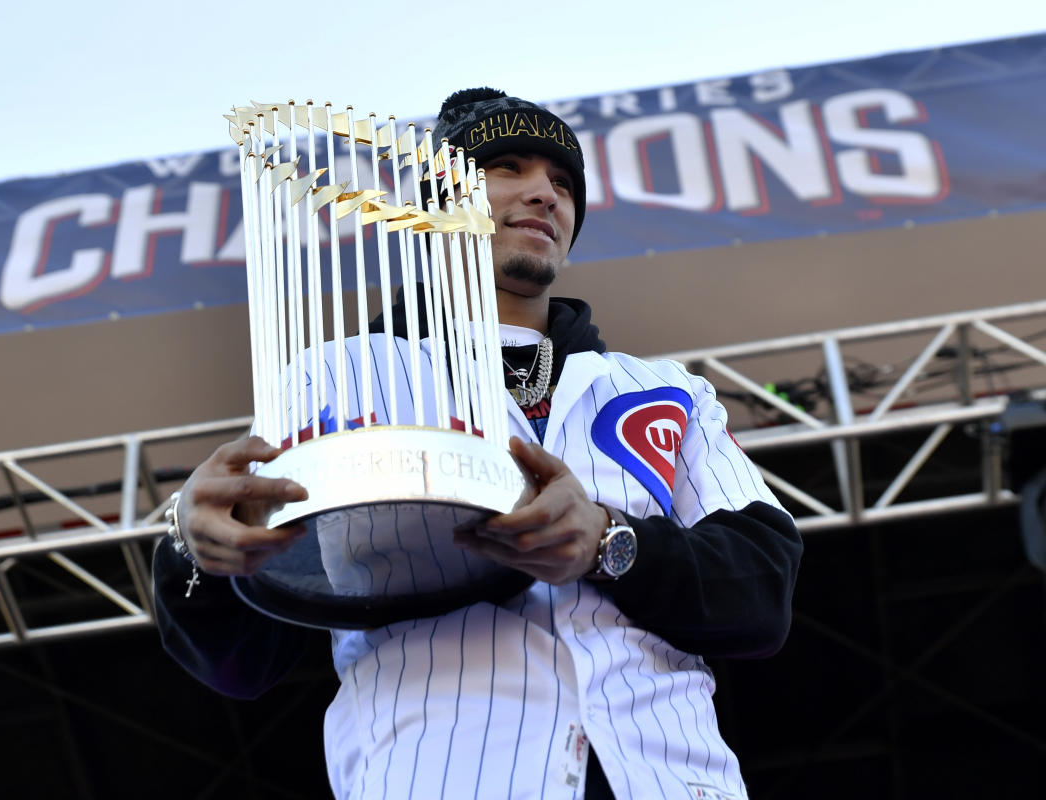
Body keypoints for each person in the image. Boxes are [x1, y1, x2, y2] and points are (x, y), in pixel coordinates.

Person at [153, 88, 803, 799]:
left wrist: (609, 544)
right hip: (443, 774)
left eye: (562, 182)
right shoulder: (343, 373)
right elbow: (241, 659)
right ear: (435, 203)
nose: (543, 195)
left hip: (673, 778)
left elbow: (761, 596)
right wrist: (196, 550)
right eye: (506, 169)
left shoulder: (666, 389)